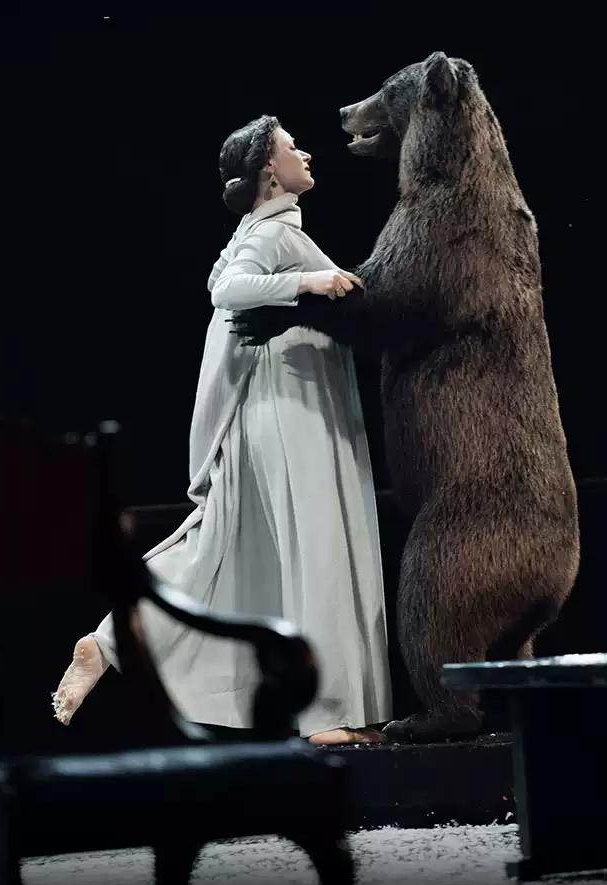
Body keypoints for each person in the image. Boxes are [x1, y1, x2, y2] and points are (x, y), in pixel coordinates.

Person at [51, 114, 392, 745]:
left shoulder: (259, 230)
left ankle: (111, 640)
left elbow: (222, 280)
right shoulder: (274, 233)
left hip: (269, 406)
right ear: (269, 171)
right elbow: (227, 291)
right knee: (314, 545)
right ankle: (327, 715)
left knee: (222, 544)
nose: (306, 154)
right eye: (292, 148)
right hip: (284, 407)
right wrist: (310, 281)